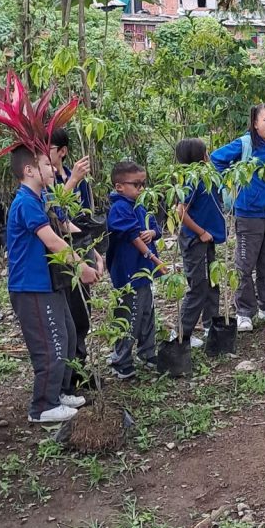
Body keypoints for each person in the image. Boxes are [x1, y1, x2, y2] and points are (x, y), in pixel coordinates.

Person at [7, 145, 98, 422]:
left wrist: (94, 251)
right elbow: (52, 240)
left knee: (68, 335)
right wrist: (80, 266)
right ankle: (42, 406)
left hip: (50, 282)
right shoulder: (25, 202)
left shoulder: (43, 197)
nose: (53, 170)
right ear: (29, 170)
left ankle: (61, 391)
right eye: (48, 166)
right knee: (51, 343)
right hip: (32, 287)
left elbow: (65, 225)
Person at [211, 104, 265, 332]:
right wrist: (232, 181)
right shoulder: (244, 144)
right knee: (244, 265)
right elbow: (215, 159)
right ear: (255, 123)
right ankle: (244, 311)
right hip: (248, 214)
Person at [48, 128, 103, 390]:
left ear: (63, 152)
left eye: (50, 148)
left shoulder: (74, 176)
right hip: (60, 254)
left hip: (80, 246)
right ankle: (68, 374)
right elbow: (54, 212)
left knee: (83, 311)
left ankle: (79, 367)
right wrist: (70, 184)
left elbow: (84, 219)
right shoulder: (44, 181)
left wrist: (94, 253)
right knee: (67, 314)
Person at [106, 160, 165, 380]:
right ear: (119, 186)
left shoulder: (138, 205)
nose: (141, 189)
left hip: (144, 271)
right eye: (136, 185)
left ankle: (147, 352)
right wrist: (155, 258)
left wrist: (153, 233)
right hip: (129, 272)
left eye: (143, 184)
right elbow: (133, 237)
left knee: (147, 312)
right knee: (129, 316)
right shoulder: (119, 209)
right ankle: (122, 360)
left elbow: (154, 228)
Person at [176, 138, 224, 348]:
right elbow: (180, 211)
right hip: (195, 240)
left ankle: (210, 325)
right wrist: (201, 232)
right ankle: (181, 335)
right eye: (206, 153)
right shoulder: (192, 179)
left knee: (212, 283)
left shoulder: (207, 177)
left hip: (207, 238)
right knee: (198, 286)